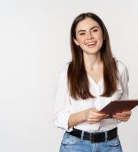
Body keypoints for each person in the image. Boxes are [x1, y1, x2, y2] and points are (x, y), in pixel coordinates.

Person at [54, 12, 131, 152]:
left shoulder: (120, 69)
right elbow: (59, 118)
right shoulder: (67, 73)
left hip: (110, 145)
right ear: (76, 41)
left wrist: (125, 115)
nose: (89, 37)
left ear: (103, 34)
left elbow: (123, 107)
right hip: (75, 145)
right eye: (82, 33)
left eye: (94, 30)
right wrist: (83, 115)